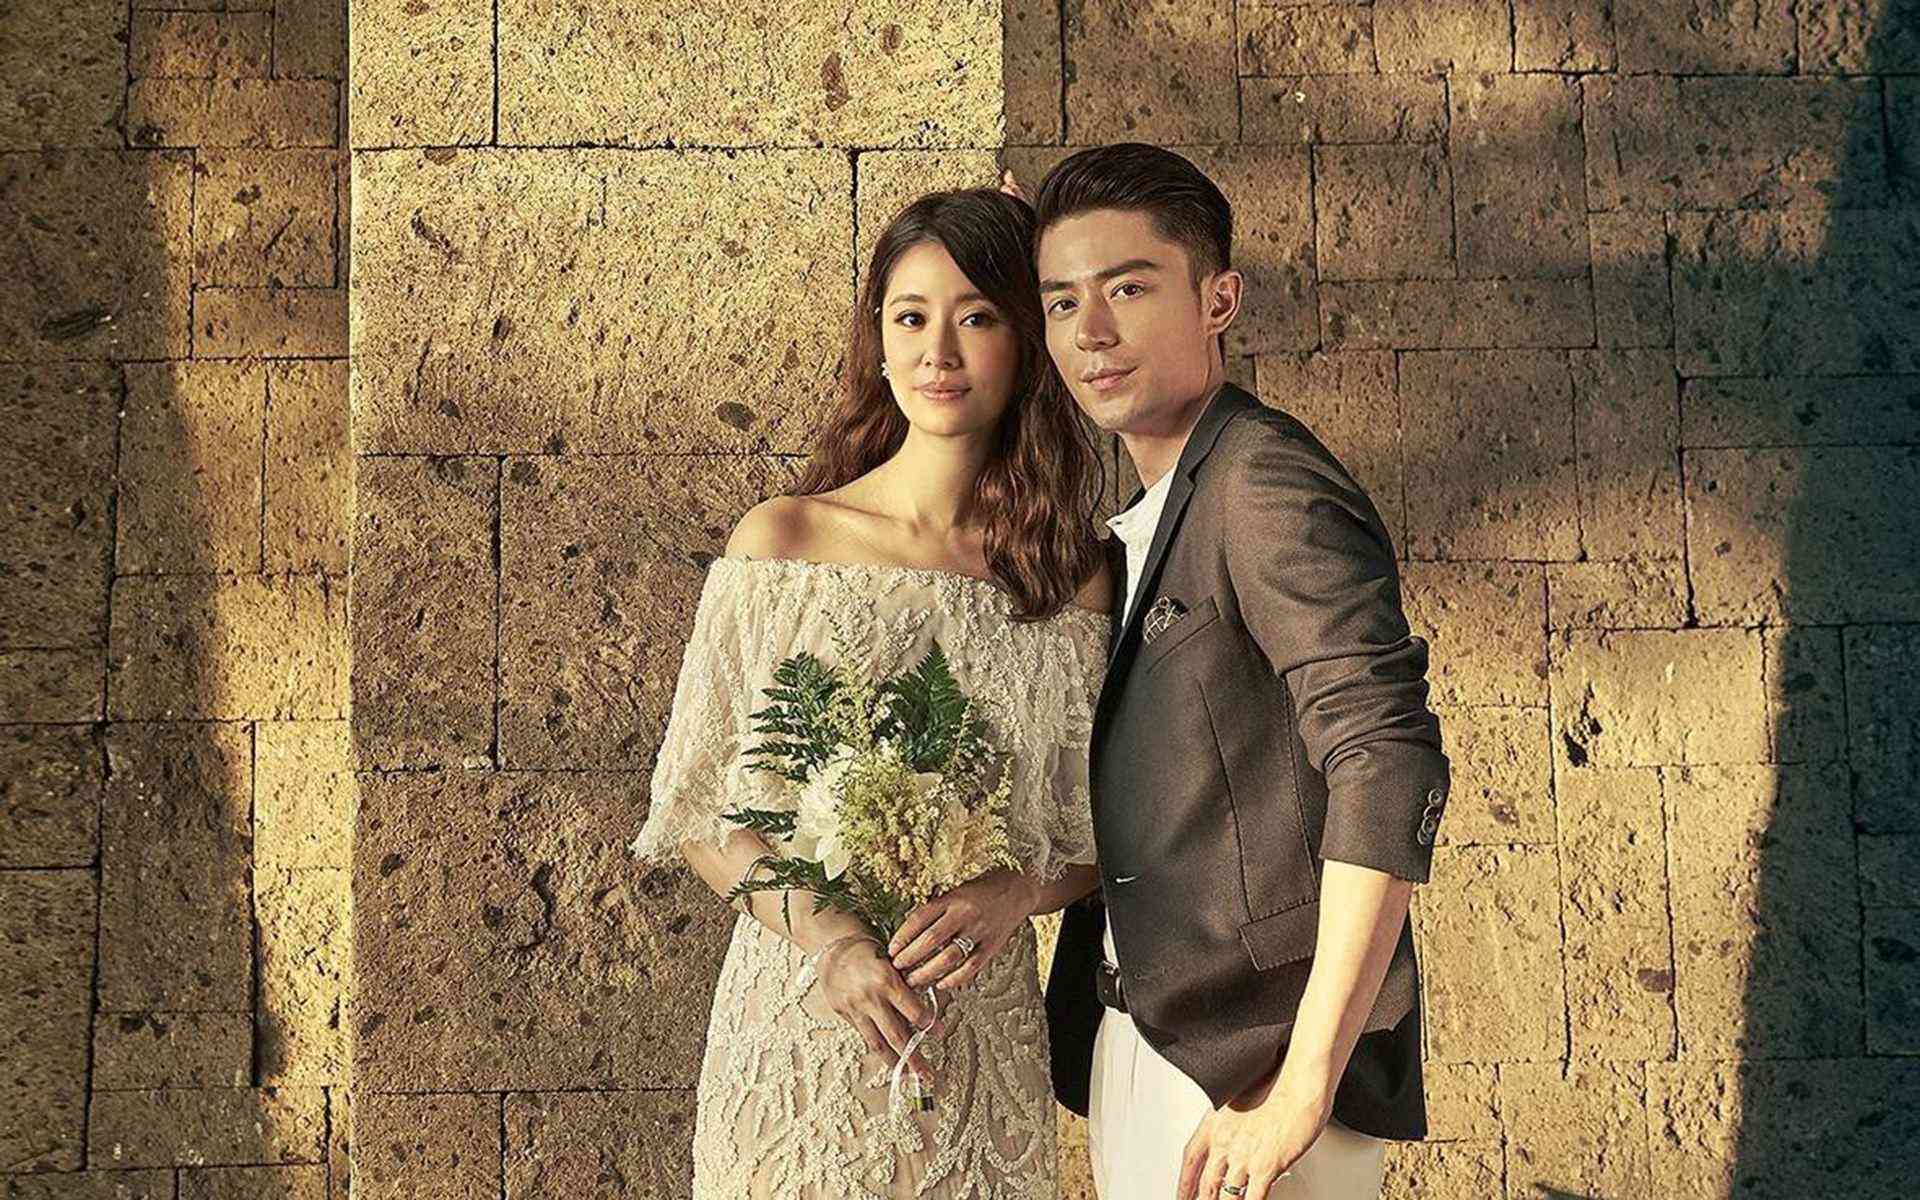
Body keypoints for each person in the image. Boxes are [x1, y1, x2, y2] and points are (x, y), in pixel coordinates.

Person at [629, 188, 1112, 1199]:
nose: (939, 352)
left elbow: (1095, 832)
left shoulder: (1073, 578)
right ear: (879, 342)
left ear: (1026, 343)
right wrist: (832, 938)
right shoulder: (786, 541)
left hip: (976, 1032)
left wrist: (1014, 892)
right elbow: (703, 813)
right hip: (804, 1014)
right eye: (911, 317)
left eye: (977, 317)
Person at [1019, 145, 1453, 1200]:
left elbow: (1386, 759)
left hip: (1257, 1070)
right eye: (1062, 301)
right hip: (1143, 1040)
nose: (1092, 331)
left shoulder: (1261, 479)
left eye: (1129, 288)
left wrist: (1305, 1081)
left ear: (1219, 300)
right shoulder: (1151, 509)